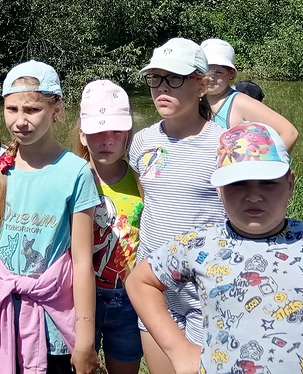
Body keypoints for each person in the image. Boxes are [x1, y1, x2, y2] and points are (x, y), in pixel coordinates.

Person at [127, 122, 303, 374]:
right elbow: (141, 281)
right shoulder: (200, 244)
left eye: (268, 183)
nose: (254, 195)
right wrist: (179, 350)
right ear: (219, 190)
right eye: (238, 184)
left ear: (290, 184)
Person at [0, 61, 100, 374]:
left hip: (51, 326)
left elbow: (83, 263)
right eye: (11, 109)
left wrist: (85, 339)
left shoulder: (76, 173)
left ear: (56, 110)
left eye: (31, 110)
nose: (19, 121)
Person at [128, 38, 228, 374]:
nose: (161, 89)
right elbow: (148, 195)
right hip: (154, 285)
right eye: (155, 78)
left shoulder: (223, 144)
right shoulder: (143, 141)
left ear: (200, 85)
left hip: (206, 285)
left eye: (174, 78)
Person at [72, 80, 144, 374]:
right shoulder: (72, 178)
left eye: (116, 131)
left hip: (129, 298)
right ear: (82, 133)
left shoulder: (142, 180)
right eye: (97, 132)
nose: (107, 140)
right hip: (77, 296)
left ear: (128, 134)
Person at [200, 39, 297, 147]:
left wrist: (268, 161)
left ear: (231, 73)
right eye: (205, 70)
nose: (210, 78)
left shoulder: (240, 102)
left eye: (218, 72)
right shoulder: (192, 99)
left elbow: (289, 133)